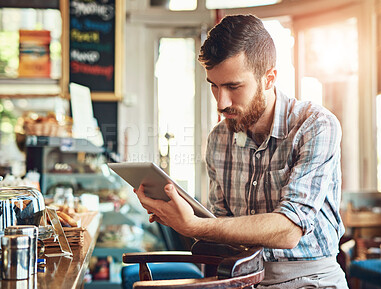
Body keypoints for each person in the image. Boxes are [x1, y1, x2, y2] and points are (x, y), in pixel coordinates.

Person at [135, 14, 348, 288]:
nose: (221, 103)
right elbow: (223, 230)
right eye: (214, 85)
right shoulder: (218, 140)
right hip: (241, 278)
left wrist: (195, 227)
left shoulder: (315, 126)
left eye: (233, 86)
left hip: (310, 280)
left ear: (269, 78)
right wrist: (177, 215)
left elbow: (289, 230)